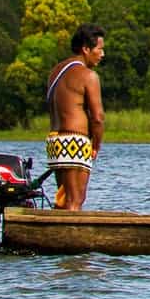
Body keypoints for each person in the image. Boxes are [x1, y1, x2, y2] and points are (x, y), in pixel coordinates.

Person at [45, 24, 106, 211]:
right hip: (75, 141)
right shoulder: (89, 76)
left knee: (64, 200)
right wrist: (96, 144)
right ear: (86, 49)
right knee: (75, 201)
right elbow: (98, 117)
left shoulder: (55, 71)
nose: (102, 54)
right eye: (100, 49)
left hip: (55, 141)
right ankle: (69, 239)